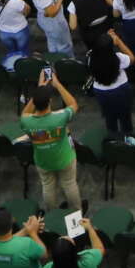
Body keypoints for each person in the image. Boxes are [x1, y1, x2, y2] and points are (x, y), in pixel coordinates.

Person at [20, 72, 84, 212]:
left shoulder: (26, 121)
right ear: (50, 102)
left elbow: (24, 113)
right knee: (69, 184)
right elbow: (73, 104)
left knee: (47, 186)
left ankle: (52, 214)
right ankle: (76, 213)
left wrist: (39, 89)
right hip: (64, 158)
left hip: (43, 160)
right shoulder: (60, 118)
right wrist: (58, 84)